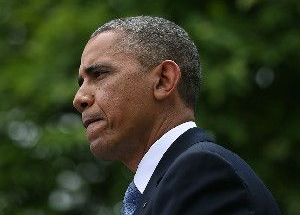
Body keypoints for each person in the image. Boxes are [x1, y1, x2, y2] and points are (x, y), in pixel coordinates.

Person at [73, 16, 281, 215]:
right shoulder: (165, 185)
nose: (79, 98)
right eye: (81, 83)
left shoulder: (203, 173)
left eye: (98, 74)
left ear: (164, 80)